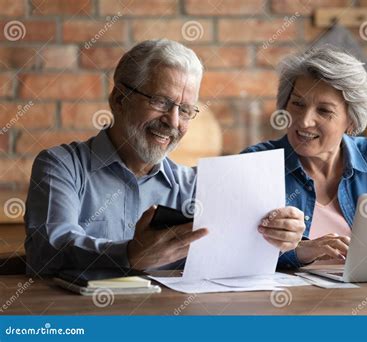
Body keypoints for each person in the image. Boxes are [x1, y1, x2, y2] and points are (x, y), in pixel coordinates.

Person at [25, 39, 305, 276]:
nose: (172, 121)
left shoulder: (194, 185)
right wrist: (129, 256)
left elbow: (235, 256)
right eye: (160, 102)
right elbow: (47, 252)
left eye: (185, 110)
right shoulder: (61, 165)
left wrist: (285, 239)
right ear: (120, 99)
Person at [243, 46, 367, 268]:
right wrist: (299, 252)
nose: (304, 121)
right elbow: (229, 252)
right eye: (298, 104)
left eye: (323, 111)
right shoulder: (254, 166)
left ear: (351, 121)